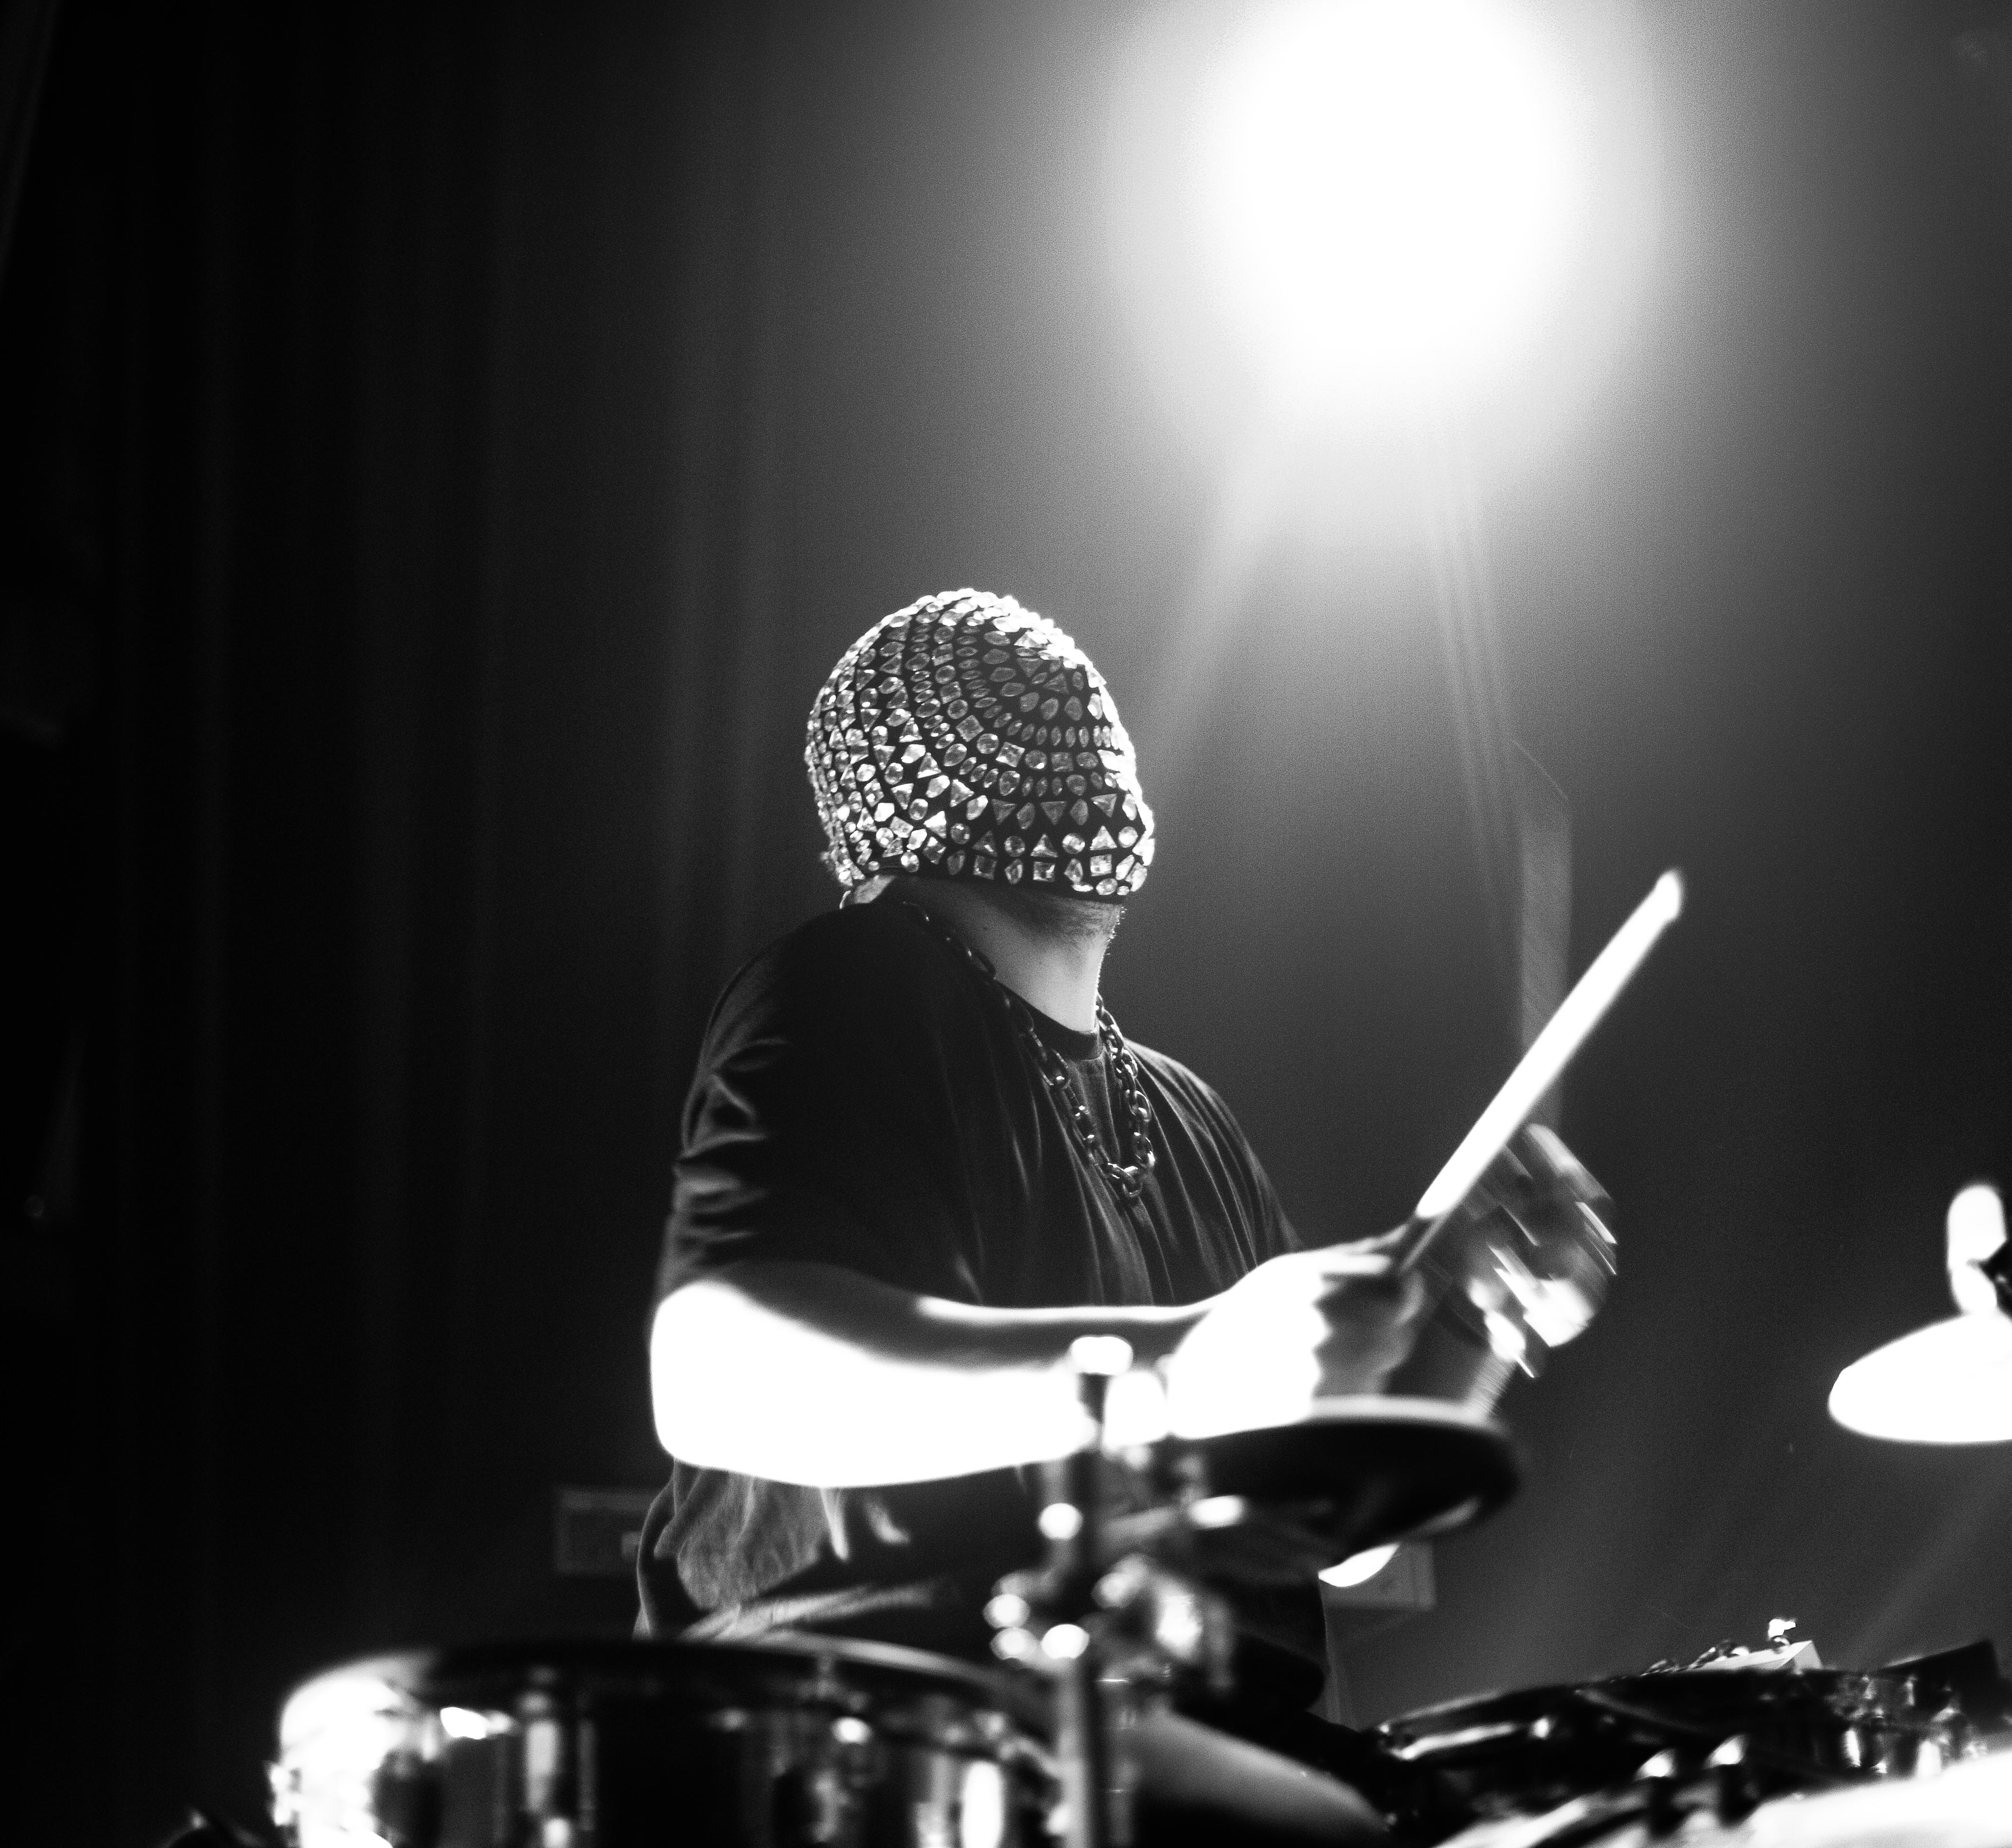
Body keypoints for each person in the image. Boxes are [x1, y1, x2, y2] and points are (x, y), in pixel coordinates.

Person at [637, 590, 1611, 1838]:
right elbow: (716, 1374)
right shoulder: (851, 981)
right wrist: (1182, 1368)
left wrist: (1481, 1318)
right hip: (894, 1740)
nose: (1056, 711)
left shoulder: (1186, 1112)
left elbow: (1334, 1545)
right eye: (988, 699)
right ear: (879, 821)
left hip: (1195, 1736)